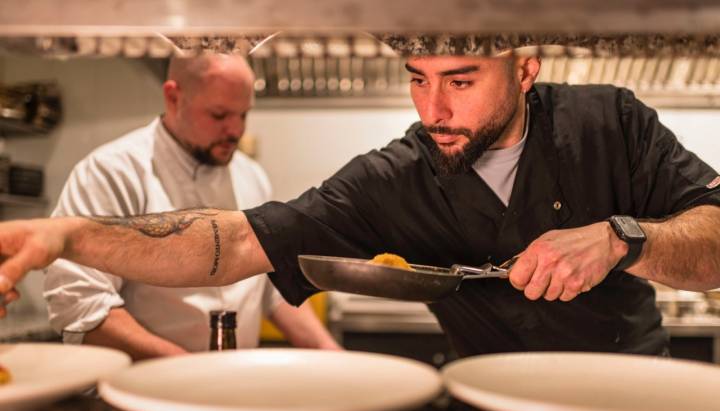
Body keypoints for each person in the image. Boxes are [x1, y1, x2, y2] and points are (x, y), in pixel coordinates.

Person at [1, 39, 719, 359]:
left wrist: (628, 239)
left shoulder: (610, 124)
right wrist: (70, 237)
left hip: (633, 393)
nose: (433, 107)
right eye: (417, 78)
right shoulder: (394, 177)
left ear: (525, 69)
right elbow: (234, 241)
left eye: (461, 81)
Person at [41, 53, 340, 359]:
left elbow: (269, 289)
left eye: (244, 115)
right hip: (141, 393)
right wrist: (186, 372)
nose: (235, 131)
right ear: (173, 97)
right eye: (219, 115)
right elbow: (82, 304)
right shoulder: (112, 172)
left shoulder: (251, 176)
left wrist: (328, 351)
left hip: (232, 388)